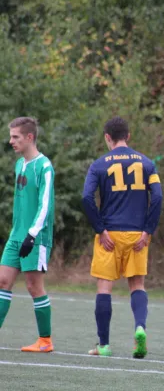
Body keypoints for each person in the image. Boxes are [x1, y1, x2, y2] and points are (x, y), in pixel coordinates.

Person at [82, 117, 163, 358]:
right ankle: (140, 328)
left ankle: (104, 345)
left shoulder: (98, 165)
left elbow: (86, 198)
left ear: (107, 137)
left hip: (109, 236)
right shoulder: (147, 164)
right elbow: (157, 198)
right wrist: (148, 231)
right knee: (137, 285)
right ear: (128, 136)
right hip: (137, 235)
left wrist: (100, 229)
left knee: (104, 288)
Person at [0, 117, 55, 352]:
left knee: (34, 286)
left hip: (36, 237)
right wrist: (17, 232)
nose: (11, 141)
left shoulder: (45, 167)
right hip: (16, 235)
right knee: (3, 281)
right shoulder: (19, 164)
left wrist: (31, 235)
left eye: (15, 137)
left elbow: (45, 205)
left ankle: (45, 341)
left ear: (29, 137)